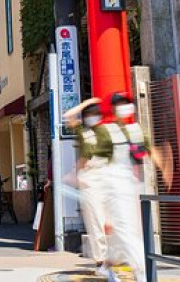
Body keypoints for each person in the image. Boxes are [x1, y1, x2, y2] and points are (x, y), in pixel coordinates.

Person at [101, 92, 164, 282]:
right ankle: (141, 272)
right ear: (112, 108)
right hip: (113, 186)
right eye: (119, 104)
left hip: (131, 186)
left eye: (126, 103)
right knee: (126, 231)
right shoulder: (107, 131)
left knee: (126, 233)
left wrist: (163, 168)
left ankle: (107, 266)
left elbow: (149, 149)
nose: (124, 107)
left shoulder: (136, 130)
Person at [64, 97, 113, 279]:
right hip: (90, 181)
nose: (93, 117)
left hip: (107, 178)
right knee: (96, 221)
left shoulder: (107, 132)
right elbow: (68, 115)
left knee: (112, 220)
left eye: (95, 114)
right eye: (89, 115)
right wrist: (87, 103)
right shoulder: (83, 133)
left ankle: (113, 259)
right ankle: (101, 262)